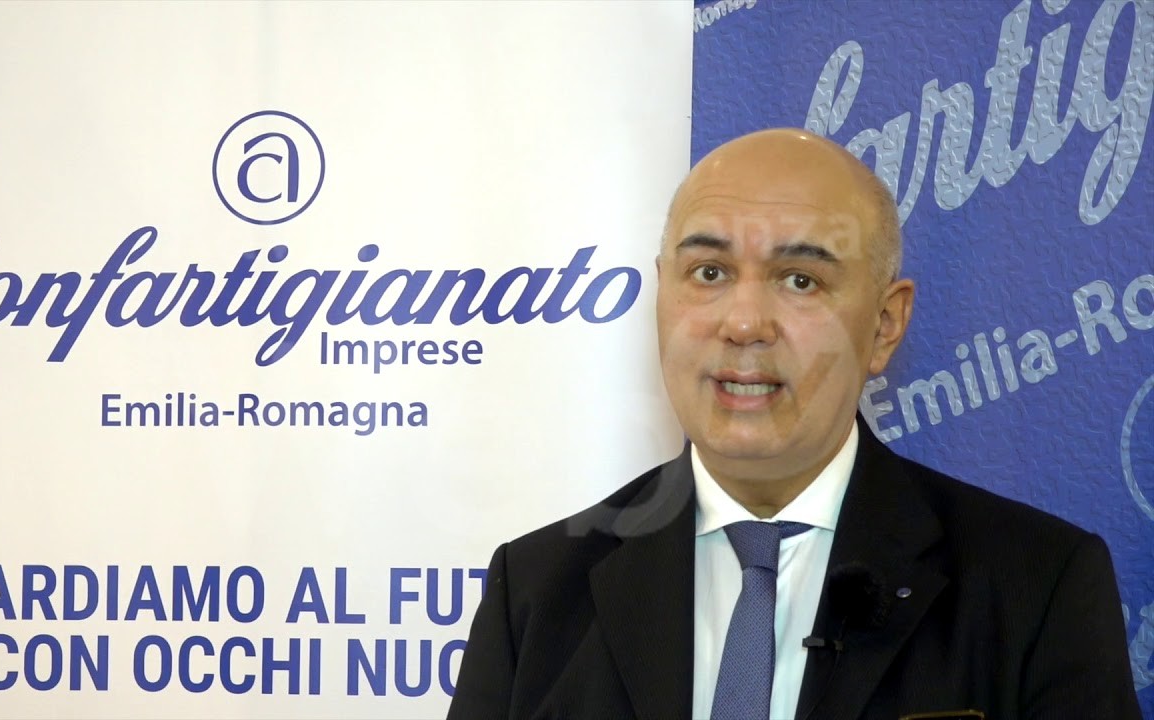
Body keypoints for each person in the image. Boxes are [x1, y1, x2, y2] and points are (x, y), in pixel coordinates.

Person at [445, 128, 1141, 720]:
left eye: (800, 280)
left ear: (885, 324)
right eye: (709, 273)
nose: (744, 323)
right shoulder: (536, 591)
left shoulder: (1035, 588)